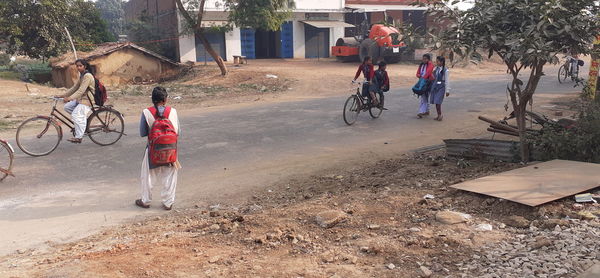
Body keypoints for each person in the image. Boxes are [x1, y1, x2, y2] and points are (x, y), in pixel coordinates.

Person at [135, 87, 181, 210]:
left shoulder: (146, 112)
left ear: (152, 99)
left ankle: (145, 201)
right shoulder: (173, 111)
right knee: (170, 176)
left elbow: (143, 133)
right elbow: (177, 132)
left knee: (148, 176)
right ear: (165, 100)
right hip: (171, 150)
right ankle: (168, 202)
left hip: (152, 150)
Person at [55, 59, 95, 143]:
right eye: (77, 66)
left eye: (80, 66)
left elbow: (81, 90)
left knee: (76, 115)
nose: (78, 67)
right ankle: (81, 120)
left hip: (87, 100)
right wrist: (63, 95)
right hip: (81, 99)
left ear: (85, 66)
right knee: (67, 107)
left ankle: (79, 137)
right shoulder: (82, 75)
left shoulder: (87, 76)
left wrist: (70, 98)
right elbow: (74, 88)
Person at [429, 56, 450, 121]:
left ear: (441, 62)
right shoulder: (436, 69)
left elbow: (447, 80)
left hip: (441, 87)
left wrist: (447, 90)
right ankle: (438, 115)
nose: (436, 62)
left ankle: (440, 115)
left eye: (437, 61)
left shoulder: (445, 70)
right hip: (435, 87)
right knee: (436, 101)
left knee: (438, 101)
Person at [416, 54, 434, 118]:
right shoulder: (421, 65)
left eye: (425, 59)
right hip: (422, 82)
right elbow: (417, 73)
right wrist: (419, 76)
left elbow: (428, 73)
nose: (424, 60)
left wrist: (423, 78)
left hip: (428, 82)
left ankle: (421, 111)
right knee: (425, 97)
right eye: (423, 59)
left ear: (428, 59)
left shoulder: (430, 65)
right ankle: (426, 110)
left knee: (424, 97)